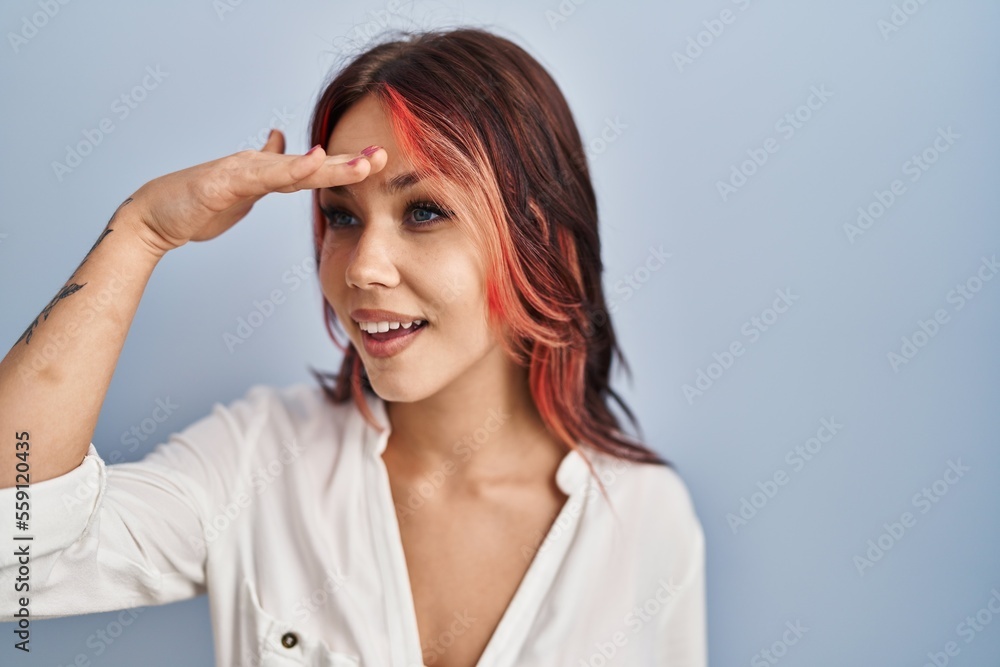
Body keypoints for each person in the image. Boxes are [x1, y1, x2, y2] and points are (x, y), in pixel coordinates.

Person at [0, 27, 706, 667]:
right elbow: (15, 557)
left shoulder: (646, 519)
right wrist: (143, 231)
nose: (364, 267)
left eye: (423, 211)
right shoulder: (255, 461)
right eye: (342, 215)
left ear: (545, 242)